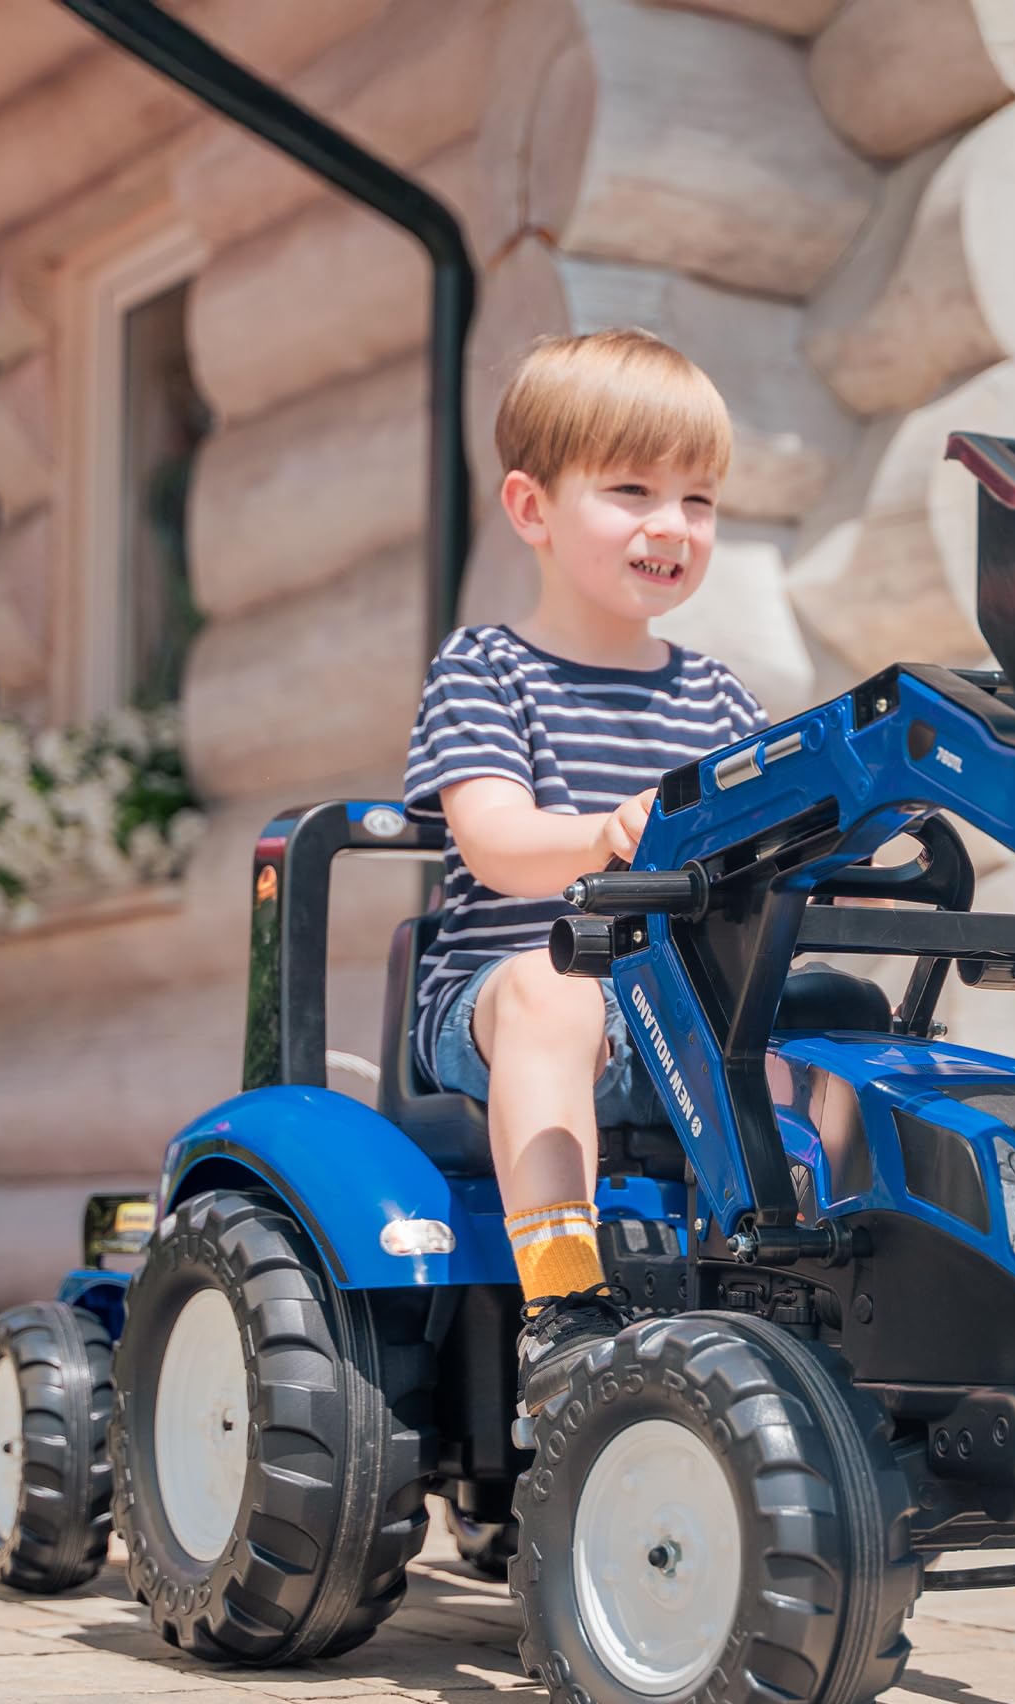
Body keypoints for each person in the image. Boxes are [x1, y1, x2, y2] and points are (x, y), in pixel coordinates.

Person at [403, 328, 765, 1350]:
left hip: (674, 1017)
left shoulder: (718, 695)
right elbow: (494, 843)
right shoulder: (486, 669)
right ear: (532, 509)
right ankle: (561, 1295)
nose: (674, 524)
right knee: (551, 991)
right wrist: (602, 838)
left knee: (828, 1020)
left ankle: (801, 1270)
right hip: (498, 1003)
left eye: (697, 499)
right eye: (632, 491)